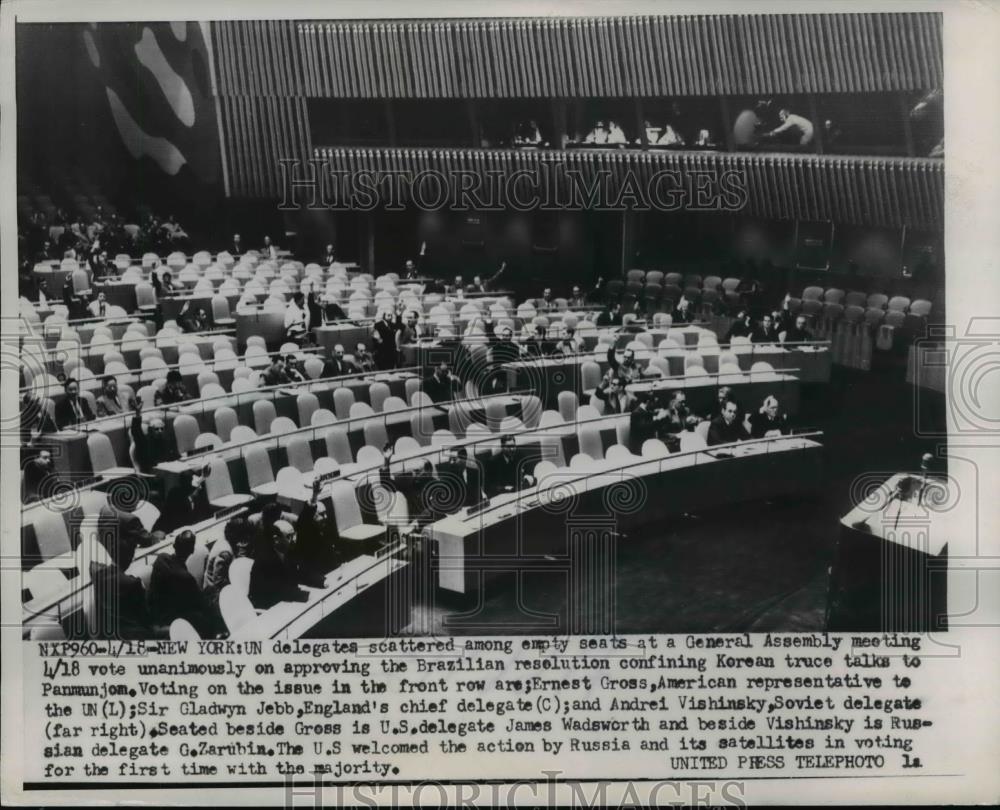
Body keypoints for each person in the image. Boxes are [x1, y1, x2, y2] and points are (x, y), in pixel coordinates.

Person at [147, 530, 217, 637]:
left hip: (154, 614)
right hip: (171, 619)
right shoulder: (186, 578)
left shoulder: (161, 559)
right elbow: (200, 602)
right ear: (192, 551)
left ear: (174, 545)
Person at [248, 523, 309, 610]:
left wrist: (323, 581)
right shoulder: (265, 560)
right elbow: (278, 590)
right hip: (269, 609)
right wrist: (307, 595)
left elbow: (302, 574)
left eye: (294, 535)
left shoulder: (287, 552)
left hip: (287, 601)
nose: (294, 539)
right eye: (289, 536)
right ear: (276, 539)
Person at [129, 401, 178, 473]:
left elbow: (173, 456)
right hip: (153, 473)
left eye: (162, 429)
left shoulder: (166, 440)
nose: (160, 431)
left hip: (168, 470)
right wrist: (137, 414)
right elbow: (136, 431)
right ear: (150, 430)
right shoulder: (144, 441)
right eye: (156, 429)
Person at [156, 468, 210, 532]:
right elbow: (178, 520)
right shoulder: (175, 494)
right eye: (198, 486)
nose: (200, 488)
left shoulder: (195, 493)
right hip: (170, 529)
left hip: (189, 528)